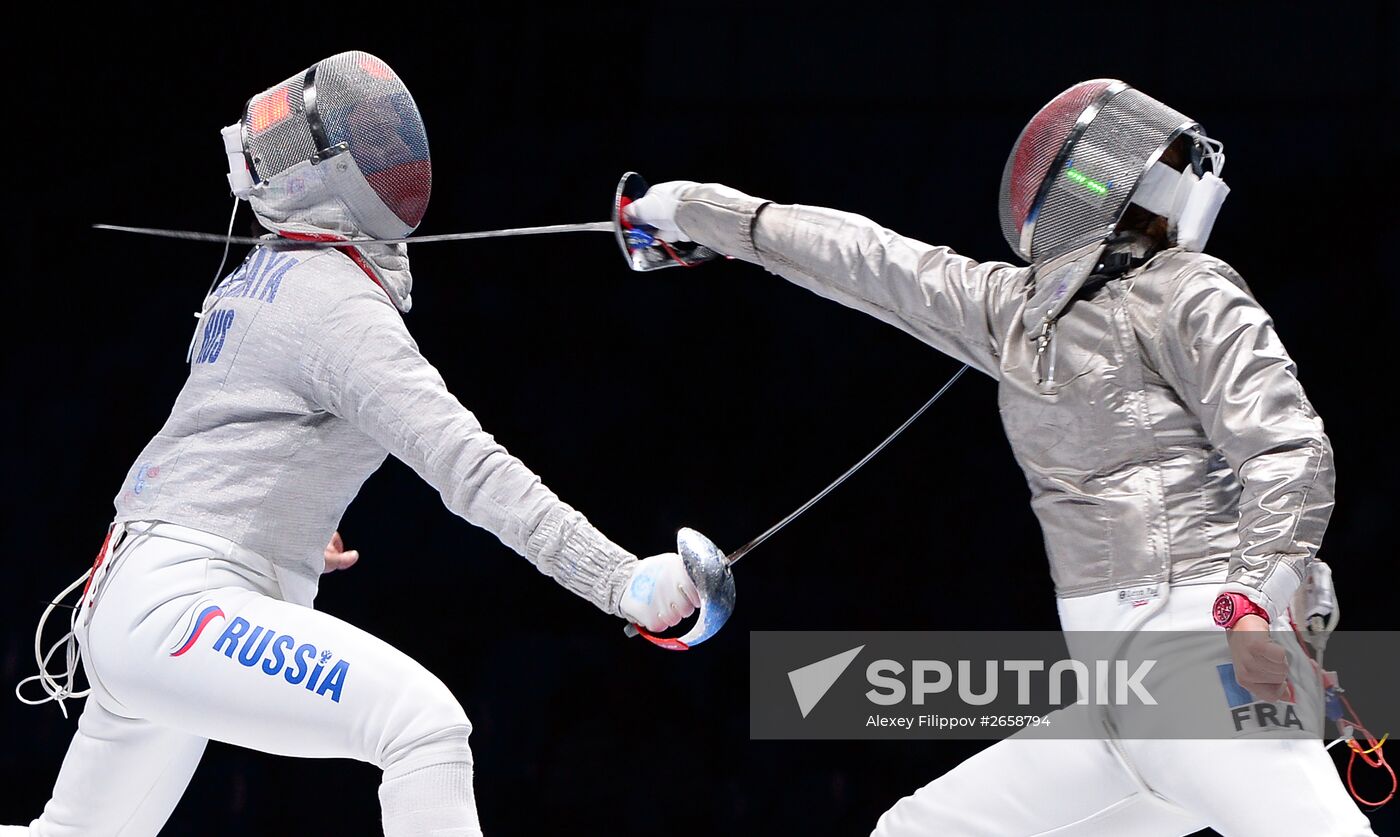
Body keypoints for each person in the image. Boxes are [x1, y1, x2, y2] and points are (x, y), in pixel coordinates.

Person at [625, 79, 1375, 835]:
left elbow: (1288, 448)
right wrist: (685, 208)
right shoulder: (1010, 314)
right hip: (1120, 704)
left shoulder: (1187, 289)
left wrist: (1250, 602)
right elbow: (859, 255)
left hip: (1208, 673)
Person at [7, 51, 698, 837]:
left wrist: (293, 517)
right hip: (183, 605)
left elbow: (228, 429)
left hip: (144, 597)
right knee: (424, 728)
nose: (393, 158)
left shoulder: (259, 274)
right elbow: (469, 469)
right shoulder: (333, 303)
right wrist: (621, 581)